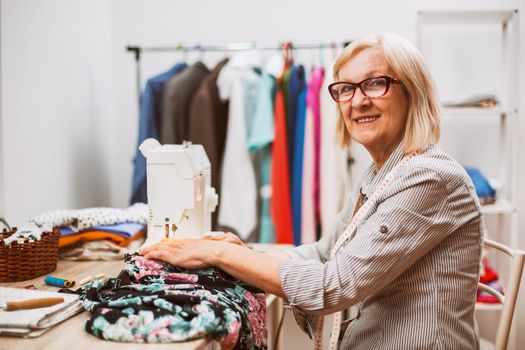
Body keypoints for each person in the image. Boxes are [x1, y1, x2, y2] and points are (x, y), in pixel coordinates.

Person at [140, 32, 483, 349]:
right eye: (346, 89)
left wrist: (221, 255)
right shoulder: (381, 175)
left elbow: (334, 284)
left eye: (375, 84)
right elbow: (322, 254)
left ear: (412, 91)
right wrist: (243, 251)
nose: (357, 101)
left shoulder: (429, 178)